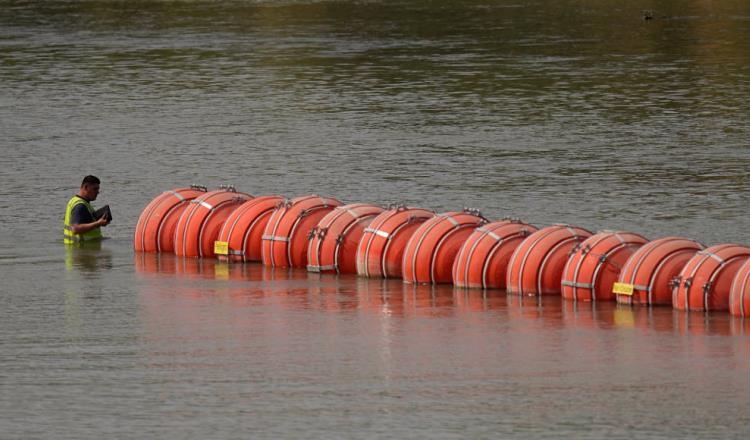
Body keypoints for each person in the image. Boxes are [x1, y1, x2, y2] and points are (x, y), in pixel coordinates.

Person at [63, 175, 110, 245]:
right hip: (80, 250)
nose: (98, 192)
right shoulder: (80, 206)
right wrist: (98, 223)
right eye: (95, 189)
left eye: (98, 189)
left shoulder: (81, 202)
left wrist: (98, 222)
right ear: (86, 187)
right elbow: (75, 229)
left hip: (82, 250)